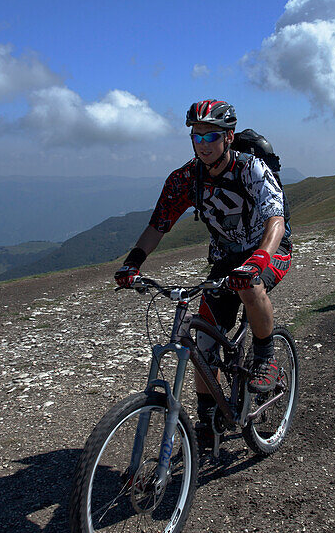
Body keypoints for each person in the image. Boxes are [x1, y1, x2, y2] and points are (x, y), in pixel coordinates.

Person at [115, 100, 292, 444]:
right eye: (197, 136)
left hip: (270, 249)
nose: (203, 143)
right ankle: (208, 416)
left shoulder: (251, 169)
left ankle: (266, 356)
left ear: (229, 138)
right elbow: (158, 225)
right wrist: (133, 262)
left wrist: (258, 259)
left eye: (211, 136)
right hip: (226, 258)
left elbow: (277, 219)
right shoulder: (185, 178)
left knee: (249, 286)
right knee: (204, 339)